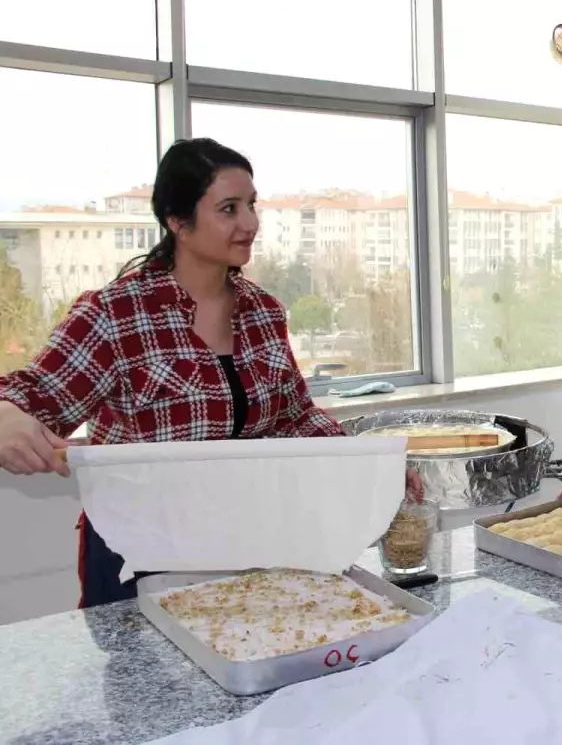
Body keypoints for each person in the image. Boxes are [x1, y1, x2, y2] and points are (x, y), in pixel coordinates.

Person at [0, 138, 346, 608]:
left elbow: (294, 418)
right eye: (228, 209)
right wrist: (6, 413)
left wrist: (377, 461)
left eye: (251, 205)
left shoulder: (263, 311)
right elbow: (30, 395)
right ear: (178, 222)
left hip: (243, 542)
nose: (249, 223)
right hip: (138, 554)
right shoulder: (117, 315)